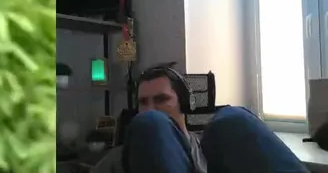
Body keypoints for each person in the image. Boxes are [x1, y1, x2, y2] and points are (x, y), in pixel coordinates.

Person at [91, 65, 308, 173]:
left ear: (186, 103)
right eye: (143, 102)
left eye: (161, 99)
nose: (150, 109)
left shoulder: (218, 144)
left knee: (234, 118)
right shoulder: (119, 157)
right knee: (151, 125)